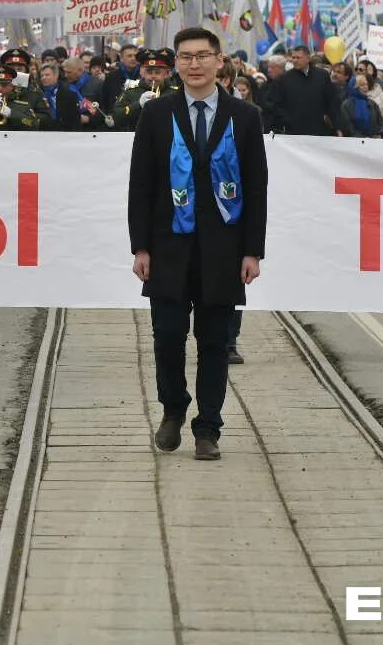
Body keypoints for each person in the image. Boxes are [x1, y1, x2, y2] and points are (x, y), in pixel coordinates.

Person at [129, 27, 268, 463]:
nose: (194, 64)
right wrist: (141, 248)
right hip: (169, 249)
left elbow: (257, 187)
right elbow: (141, 184)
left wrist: (252, 251)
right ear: (176, 63)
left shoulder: (244, 116)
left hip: (223, 251)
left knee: (214, 343)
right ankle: (173, 409)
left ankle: (208, 426)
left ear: (219, 60)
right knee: (167, 337)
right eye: (185, 57)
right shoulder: (157, 114)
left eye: (202, 56)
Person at [271, 45, 342, 136]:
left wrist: (338, 126)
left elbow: (332, 102)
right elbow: (277, 105)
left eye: (298, 58)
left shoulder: (322, 76)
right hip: (294, 132)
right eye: (293, 57)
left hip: (318, 130)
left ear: (308, 58)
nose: (295, 60)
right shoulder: (285, 79)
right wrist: (288, 120)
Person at [0, 60, 53, 132]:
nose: (0, 88)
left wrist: (12, 114)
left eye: (4, 85)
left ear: (11, 86)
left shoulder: (23, 106)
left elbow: (34, 125)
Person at [38, 61, 83, 131]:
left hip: (66, 133)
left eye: (47, 75)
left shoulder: (70, 90)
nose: (43, 78)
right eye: (42, 76)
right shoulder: (38, 93)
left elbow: (87, 107)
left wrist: (89, 117)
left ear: (56, 75)